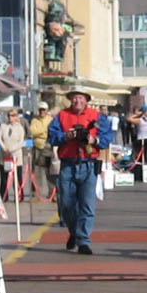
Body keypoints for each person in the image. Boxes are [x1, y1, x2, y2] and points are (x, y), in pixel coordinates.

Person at [48, 89, 112, 255]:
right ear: (70, 100)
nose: (78, 101)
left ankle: (83, 240)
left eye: (81, 98)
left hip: (88, 164)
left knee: (87, 205)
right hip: (68, 165)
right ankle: (74, 231)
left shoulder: (97, 116)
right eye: (75, 98)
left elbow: (106, 138)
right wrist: (65, 137)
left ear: (86, 100)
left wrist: (94, 140)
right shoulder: (61, 116)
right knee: (66, 205)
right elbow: (52, 136)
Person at [0, 109, 26, 201]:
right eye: (9, 115)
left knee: (17, 178)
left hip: (16, 156)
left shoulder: (20, 128)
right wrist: (4, 148)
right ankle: (4, 196)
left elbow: (21, 142)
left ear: (16, 116)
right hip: (5, 156)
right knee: (4, 178)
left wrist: (11, 149)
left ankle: (19, 196)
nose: (11, 117)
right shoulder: (3, 126)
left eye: (13, 115)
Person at [28, 102, 53, 201]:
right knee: (36, 171)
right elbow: (32, 132)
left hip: (47, 147)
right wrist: (44, 131)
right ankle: (36, 194)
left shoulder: (50, 120)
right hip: (37, 148)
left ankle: (52, 193)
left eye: (44, 110)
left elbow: (51, 131)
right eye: (40, 110)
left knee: (49, 172)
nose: (42, 112)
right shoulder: (34, 120)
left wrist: (40, 132)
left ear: (47, 110)